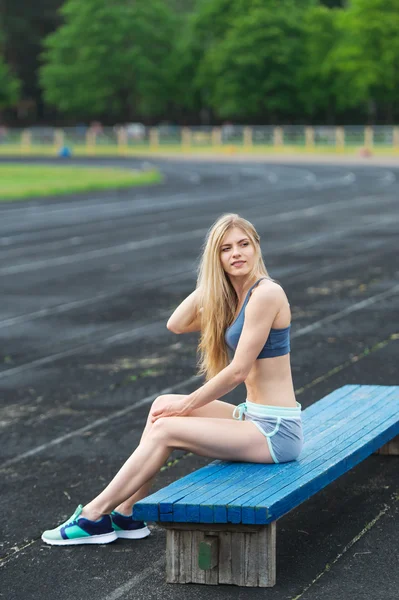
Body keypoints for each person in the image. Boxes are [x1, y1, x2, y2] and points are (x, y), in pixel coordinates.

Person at [42, 213, 303, 545]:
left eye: (243, 244)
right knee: (160, 405)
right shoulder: (233, 298)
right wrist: (211, 281)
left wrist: (189, 404)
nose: (236, 253)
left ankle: (94, 515)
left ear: (256, 248)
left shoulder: (266, 294)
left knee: (167, 425)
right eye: (225, 249)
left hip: (275, 432)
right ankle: (127, 514)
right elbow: (176, 323)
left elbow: (237, 371)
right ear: (216, 258)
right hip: (254, 415)